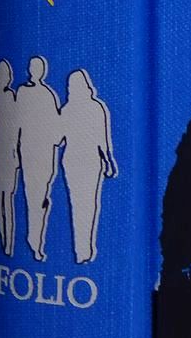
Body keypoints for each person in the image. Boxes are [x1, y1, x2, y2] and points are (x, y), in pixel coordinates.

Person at [61, 69, 117, 263]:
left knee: (76, 205)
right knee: (89, 205)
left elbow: (58, 139)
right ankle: (86, 249)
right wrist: (109, 161)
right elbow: (103, 141)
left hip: (71, 161)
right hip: (91, 161)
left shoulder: (67, 109)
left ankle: (80, 251)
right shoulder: (96, 107)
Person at [16, 56, 64, 262]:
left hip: (34, 154)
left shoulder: (26, 92)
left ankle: (35, 239)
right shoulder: (46, 95)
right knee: (38, 198)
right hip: (38, 155)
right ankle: (35, 241)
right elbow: (56, 134)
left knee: (35, 198)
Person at [0, 60, 20, 256]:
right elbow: (15, 128)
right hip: (7, 150)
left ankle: (5, 241)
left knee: (2, 198)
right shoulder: (7, 96)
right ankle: (7, 243)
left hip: (0, 148)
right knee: (6, 199)